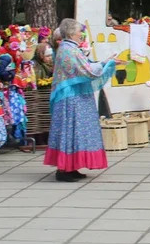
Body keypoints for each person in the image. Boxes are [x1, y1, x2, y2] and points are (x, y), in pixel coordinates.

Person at [44, 19, 120, 182]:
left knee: (76, 131)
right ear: (71, 33)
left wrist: (105, 62)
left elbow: (85, 66)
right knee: (71, 129)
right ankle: (64, 169)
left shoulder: (70, 48)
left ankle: (72, 166)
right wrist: (107, 63)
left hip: (75, 96)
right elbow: (86, 70)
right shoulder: (69, 50)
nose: (82, 34)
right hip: (70, 98)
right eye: (80, 31)